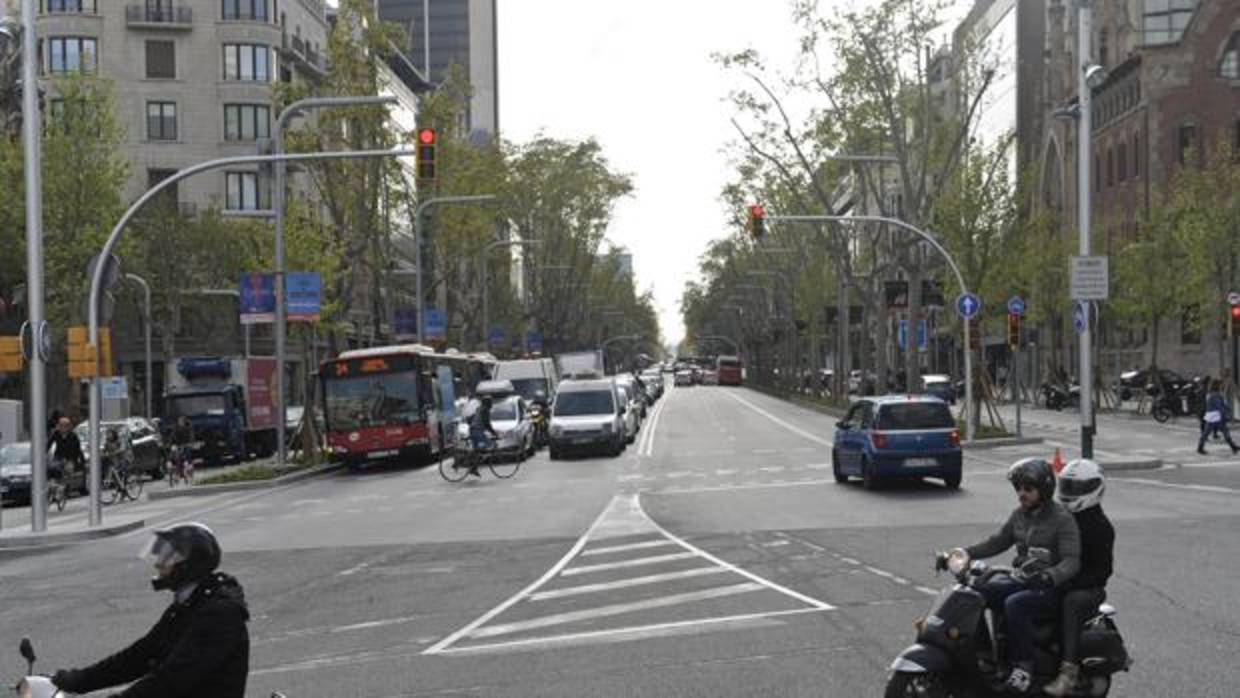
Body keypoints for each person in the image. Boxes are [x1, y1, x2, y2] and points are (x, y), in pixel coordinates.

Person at [52, 523, 250, 698]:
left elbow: (172, 679)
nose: (158, 563)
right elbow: (141, 654)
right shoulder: (189, 603)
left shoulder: (220, 613)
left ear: (188, 564)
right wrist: (75, 680)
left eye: (168, 557)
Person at [950, 458, 1081, 694]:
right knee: (974, 593)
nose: (1022, 493)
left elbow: (1072, 561)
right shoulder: (1020, 515)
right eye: (1018, 488)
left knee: (1015, 604)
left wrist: (1049, 576)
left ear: (1044, 490)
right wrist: (964, 553)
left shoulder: (1062, 519)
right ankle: (985, 657)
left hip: (1052, 588)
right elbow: (998, 542)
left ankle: (1024, 668)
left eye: (1028, 489)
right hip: (1025, 581)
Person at [1044, 459, 1115, 697]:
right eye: (1067, 486)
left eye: (1077, 488)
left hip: (1088, 587)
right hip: (1060, 580)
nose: (1070, 493)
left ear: (1095, 488)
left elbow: (1102, 572)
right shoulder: (1061, 519)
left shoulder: (1099, 526)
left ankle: (1069, 671)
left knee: (1071, 602)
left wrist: (1067, 582)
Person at [1197, 379, 1239, 455]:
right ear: (1217, 386)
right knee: (1224, 431)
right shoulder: (1215, 395)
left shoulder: (1212, 394)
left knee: (1207, 432)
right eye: (1220, 384)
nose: (1221, 386)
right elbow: (1219, 406)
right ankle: (1233, 446)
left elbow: (1221, 404)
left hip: (1212, 416)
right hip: (1216, 416)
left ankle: (1200, 447)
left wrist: (1226, 409)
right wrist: (1226, 412)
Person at [466, 394, 498, 476]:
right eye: (490, 402)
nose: (492, 404)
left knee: (476, 450)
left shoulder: (479, 408)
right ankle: (475, 465)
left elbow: (472, 418)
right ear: (487, 403)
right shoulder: (485, 410)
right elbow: (487, 424)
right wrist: (494, 433)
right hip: (477, 431)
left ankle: (472, 465)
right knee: (491, 445)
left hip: (473, 430)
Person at [48, 416, 84, 485]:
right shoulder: (56, 434)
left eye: (64, 426)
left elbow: (77, 449)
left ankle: (66, 485)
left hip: (70, 458)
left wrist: (76, 461)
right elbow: (49, 444)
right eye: (60, 425)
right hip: (58, 457)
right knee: (53, 468)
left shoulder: (73, 436)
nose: (62, 428)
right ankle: (54, 484)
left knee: (68, 469)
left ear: (68, 427)